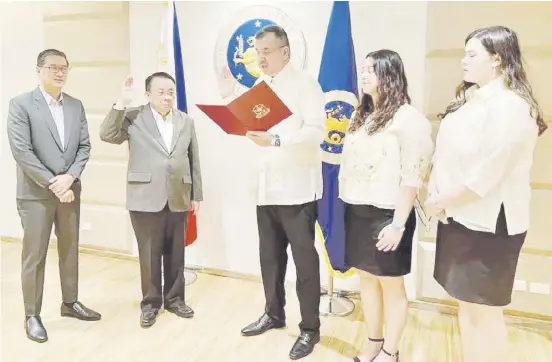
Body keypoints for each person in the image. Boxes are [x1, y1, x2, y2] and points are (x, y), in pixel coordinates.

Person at [425, 26, 547, 362]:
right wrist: (436, 188)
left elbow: (492, 170)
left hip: (490, 223)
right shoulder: (469, 101)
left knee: (486, 312)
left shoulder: (513, 106)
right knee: (465, 305)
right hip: (457, 216)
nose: (463, 61)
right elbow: (444, 151)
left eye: (472, 54)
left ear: (497, 59)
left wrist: (445, 199)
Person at [339, 50, 433, 362]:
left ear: (389, 76)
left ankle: (390, 352)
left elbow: (413, 177)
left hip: (388, 215)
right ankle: (373, 342)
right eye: (363, 69)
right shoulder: (360, 114)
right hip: (358, 210)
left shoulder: (409, 119)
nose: (363, 75)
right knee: (366, 278)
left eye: (371, 70)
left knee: (392, 286)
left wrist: (398, 224)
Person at [239, 25, 326, 360]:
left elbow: (317, 130)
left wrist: (277, 139)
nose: (260, 58)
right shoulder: (261, 87)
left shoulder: (305, 84)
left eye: (267, 52)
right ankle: (273, 313)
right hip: (266, 188)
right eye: (257, 52)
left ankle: (309, 329)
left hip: (297, 190)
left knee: (305, 262)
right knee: (270, 259)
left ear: (285, 52)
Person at [7, 48, 101, 343]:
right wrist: (54, 183)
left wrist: (70, 178)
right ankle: (32, 314)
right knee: (34, 256)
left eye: (64, 68)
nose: (60, 73)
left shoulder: (76, 106)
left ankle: (70, 302)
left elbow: (84, 147)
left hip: (70, 191)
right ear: (39, 70)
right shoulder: (21, 104)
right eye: (53, 68)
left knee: (70, 248)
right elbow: (22, 151)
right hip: (36, 195)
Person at [99, 72, 203, 328]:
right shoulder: (134, 117)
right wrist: (121, 103)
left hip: (178, 195)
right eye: (161, 92)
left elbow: (193, 158)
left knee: (176, 252)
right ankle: (151, 303)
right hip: (144, 196)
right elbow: (107, 134)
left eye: (171, 92)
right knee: (149, 254)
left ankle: (175, 299)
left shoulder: (186, 121)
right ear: (148, 94)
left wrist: (196, 193)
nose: (167, 97)